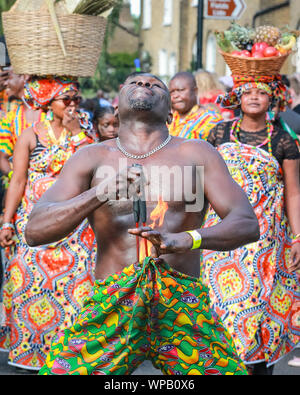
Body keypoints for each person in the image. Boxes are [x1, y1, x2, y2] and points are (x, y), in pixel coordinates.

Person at [25, 72, 260, 375]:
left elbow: (246, 222)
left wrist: (187, 239)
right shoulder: (91, 157)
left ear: (170, 112)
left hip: (181, 300)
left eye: (155, 84)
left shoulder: (197, 153)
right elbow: (35, 230)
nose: (145, 85)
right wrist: (101, 192)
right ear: (118, 105)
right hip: (112, 300)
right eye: (135, 82)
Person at [202, 74, 300, 375]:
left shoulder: (284, 141)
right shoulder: (218, 134)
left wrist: (297, 238)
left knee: (258, 310)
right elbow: (201, 183)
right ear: (237, 97)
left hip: (264, 241)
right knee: (221, 308)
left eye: (262, 91)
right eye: (248, 91)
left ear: (273, 98)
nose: (255, 97)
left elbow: (294, 192)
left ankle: (257, 368)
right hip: (221, 236)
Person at [0, 76, 96, 371]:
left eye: (76, 100)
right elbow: (18, 181)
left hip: (76, 228)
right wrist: (6, 222)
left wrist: (76, 131)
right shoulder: (30, 135)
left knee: (77, 289)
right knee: (27, 285)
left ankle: (66, 357)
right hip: (36, 226)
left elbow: (96, 168)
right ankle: (30, 354)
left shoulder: (85, 133)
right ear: (48, 102)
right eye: (65, 100)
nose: (72, 105)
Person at [0, 68, 44, 177]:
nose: (5, 83)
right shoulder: (9, 118)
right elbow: (2, 157)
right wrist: (15, 177)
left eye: (8, 78)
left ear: (24, 77)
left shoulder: (48, 113)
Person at [168, 71, 223, 140]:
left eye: (180, 90)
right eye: (171, 92)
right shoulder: (167, 120)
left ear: (195, 91)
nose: (175, 95)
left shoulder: (211, 120)